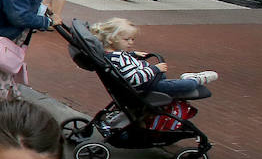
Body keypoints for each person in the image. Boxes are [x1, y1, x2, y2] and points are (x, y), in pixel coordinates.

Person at [90, 18, 220, 97]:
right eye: (127, 39)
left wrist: (133, 55)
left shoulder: (110, 55)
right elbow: (133, 78)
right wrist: (154, 69)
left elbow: (121, 63)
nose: (131, 42)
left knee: (167, 80)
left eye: (132, 39)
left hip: (148, 80)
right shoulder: (118, 58)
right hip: (146, 86)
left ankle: (184, 79)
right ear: (112, 40)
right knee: (188, 85)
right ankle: (194, 80)